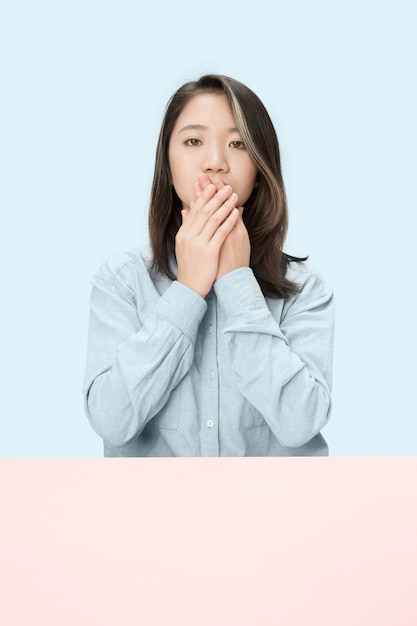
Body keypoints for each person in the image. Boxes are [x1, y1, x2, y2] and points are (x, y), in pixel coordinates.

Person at [82, 74, 335, 457]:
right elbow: (112, 421)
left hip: (273, 511)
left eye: (237, 143)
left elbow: (300, 424)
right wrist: (187, 290)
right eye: (193, 141)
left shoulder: (303, 288)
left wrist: (237, 282)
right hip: (154, 512)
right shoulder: (123, 281)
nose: (215, 163)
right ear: (167, 161)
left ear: (260, 165)